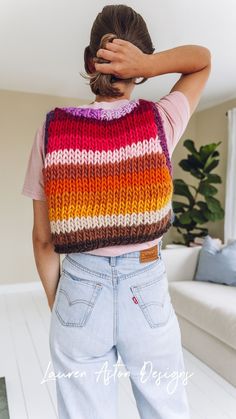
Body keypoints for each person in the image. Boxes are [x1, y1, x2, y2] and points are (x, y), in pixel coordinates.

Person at [21, 4, 211, 419]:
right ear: (138, 67)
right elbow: (201, 61)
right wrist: (151, 63)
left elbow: (42, 239)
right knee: (167, 411)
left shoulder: (53, 129)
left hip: (79, 285)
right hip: (147, 283)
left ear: (90, 61)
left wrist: (62, 302)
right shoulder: (160, 120)